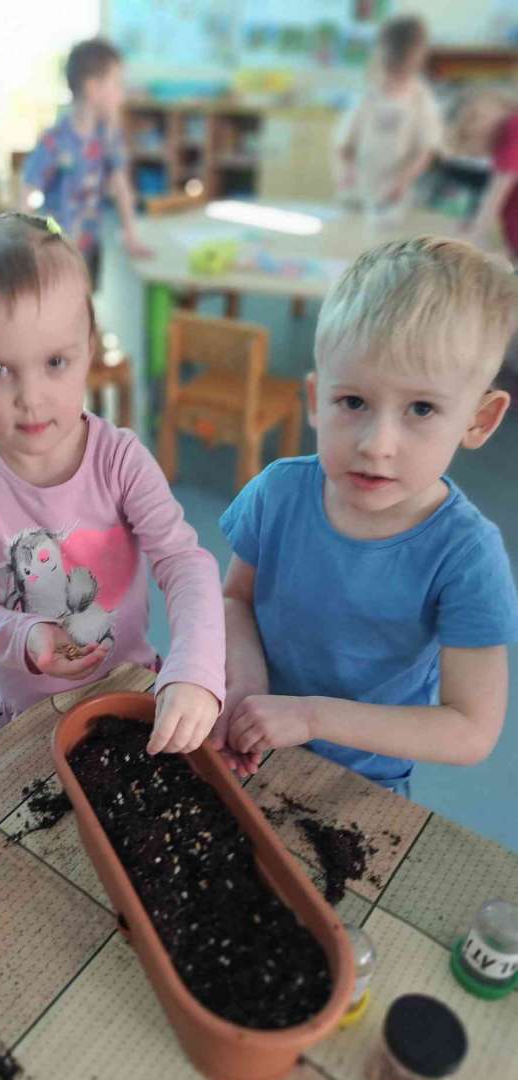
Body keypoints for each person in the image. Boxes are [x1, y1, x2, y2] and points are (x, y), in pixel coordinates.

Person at [213, 237, 518, 796]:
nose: (377, 445)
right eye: (353, 402)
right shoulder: (278, 492)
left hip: (362, 785)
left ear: (479, 420)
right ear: (316, 398)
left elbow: (470, 729)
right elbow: (235, 599)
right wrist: (248, 683)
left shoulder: (467, 556)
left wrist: (311, 716)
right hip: (249, 746)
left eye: (421, 408)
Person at [0, 212, 224, 755]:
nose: (30, 397)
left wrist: (197, 668)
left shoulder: (120, 459)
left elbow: (184, 562)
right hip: (16, 716)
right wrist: (26, 635)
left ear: (90, 346)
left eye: (55, 362)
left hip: (121, 697)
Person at [21, 37, 149, 292]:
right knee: (60, 302)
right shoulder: (56, 140)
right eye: (117, 84)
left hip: (90, 244)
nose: (122, 95)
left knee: (86, 300)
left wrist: (131, 236)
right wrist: (24, 245)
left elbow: (121, 186)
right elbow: (27, 187)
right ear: (93, 88)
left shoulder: (108, 135)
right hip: (56, 248)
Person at [336, 16, 443, 225]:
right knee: (350, 232)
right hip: (358, 189)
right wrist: (346, 172)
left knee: (386, 235)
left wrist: (402, 181)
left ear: (417, 60)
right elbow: (344, 144)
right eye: (389, 71)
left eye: (400, 72)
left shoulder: (421, 99)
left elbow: (426, 150)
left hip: (395, 195)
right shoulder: (367, 94)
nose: (392, 79)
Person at [451, 89, 518, 259]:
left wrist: (475, 232)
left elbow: (497, 191)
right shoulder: (503, 151)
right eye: (469, 124)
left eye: (476, 116)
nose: (476, 127)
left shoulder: (513, 125)